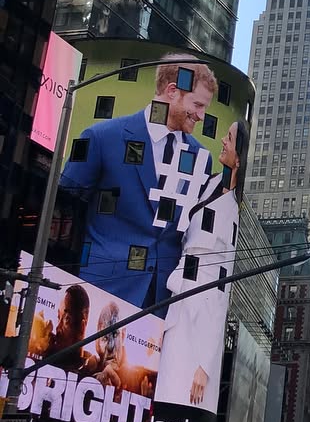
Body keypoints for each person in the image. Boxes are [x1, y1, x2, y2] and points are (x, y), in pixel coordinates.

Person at [58, 55, 218, 309]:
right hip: (100, 290)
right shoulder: (102, 138)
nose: (201, 116)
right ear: (172, 91)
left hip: (162, 303)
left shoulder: (201, 159)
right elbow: (63, 207)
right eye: (197, 105)